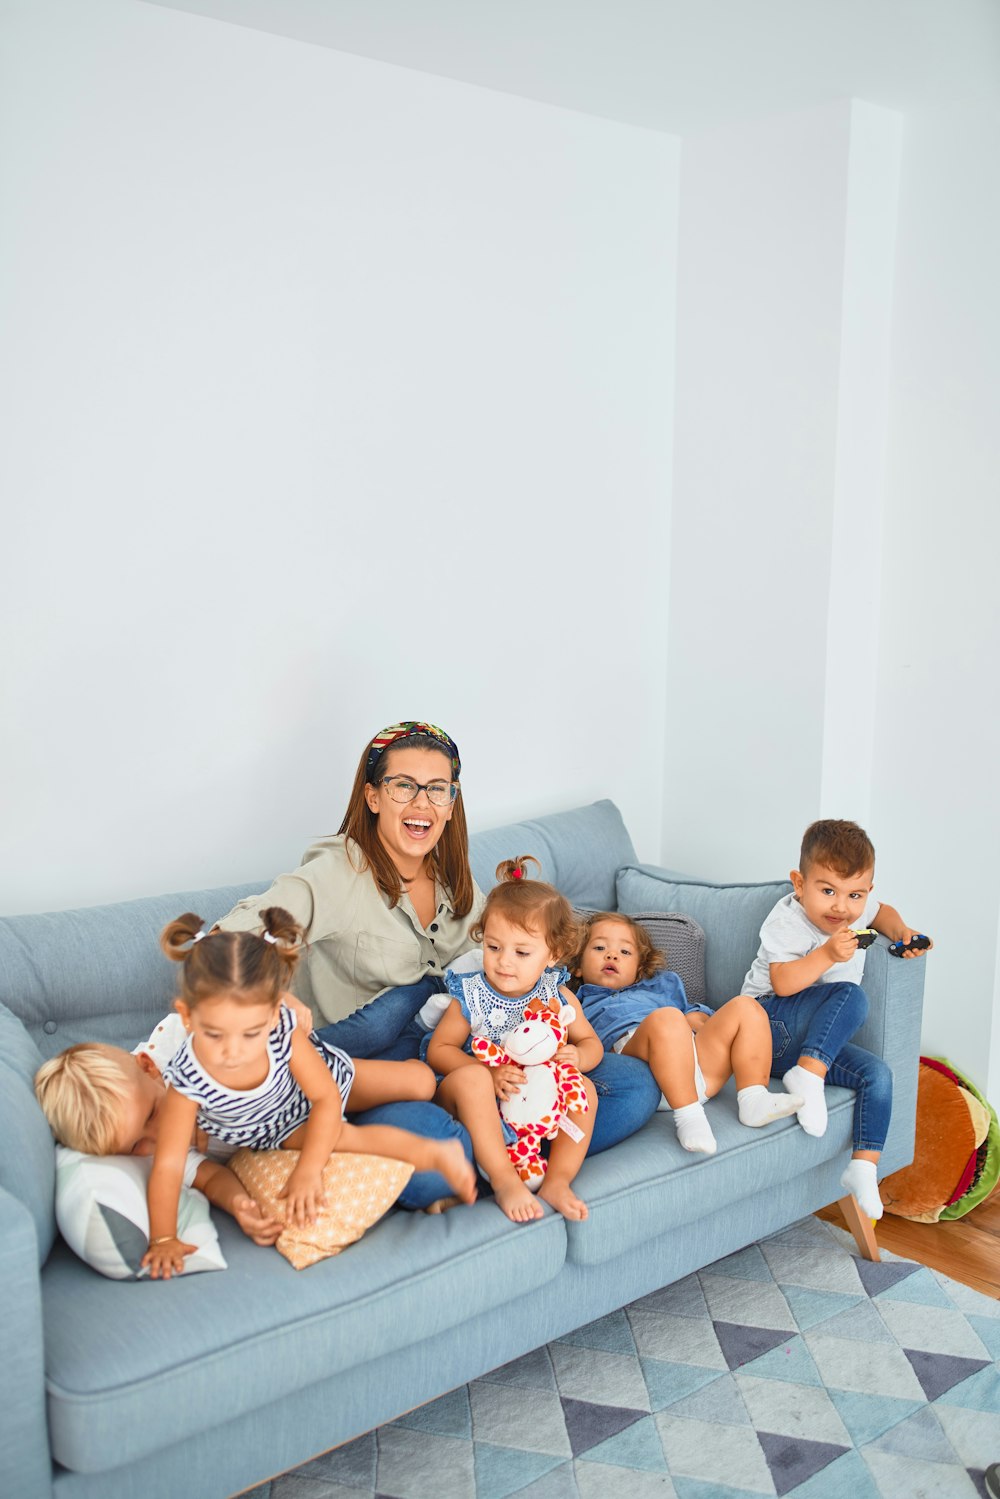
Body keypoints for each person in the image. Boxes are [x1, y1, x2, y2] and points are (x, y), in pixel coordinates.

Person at [216, 720, 661, 1177]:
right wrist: (272, 996)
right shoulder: (337, 872)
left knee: (634, 1086)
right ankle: (494, 1153)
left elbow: (521, 948)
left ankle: (501, 1150)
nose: (421, 803)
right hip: (374, 1069)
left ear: (452, 802)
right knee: (438, 1146)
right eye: (403, 786)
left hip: (463, 1055)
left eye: (437, 789)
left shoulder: (454, 877)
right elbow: (227, 939)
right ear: (372, 797)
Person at [143, 907, 475, 1278]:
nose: (232, 1052)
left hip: (320, 1088)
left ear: (272, 1017)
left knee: (421, 1083)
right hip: (278, 1130)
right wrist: (162, 1238)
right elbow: (169, 1165)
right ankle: (435, 1153)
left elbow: (325, 1098)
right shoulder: (186, 1082)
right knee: (345, 1136)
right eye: (214, 1034)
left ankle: (426, 1049)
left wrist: (310, 1169)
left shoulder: (282, 1032)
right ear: (186, 1016)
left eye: (250, 1034)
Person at [742, 818, 932, 1220]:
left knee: (878, 1074)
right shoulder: (787, 920)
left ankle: (863, 1166)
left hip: (809, 1042)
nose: (841, 907)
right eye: (827, 891)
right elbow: (783, 983)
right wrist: (827, 954)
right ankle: (807, 1076)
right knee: (850, 995)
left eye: (854, 895)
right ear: (799, 883)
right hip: (764, 1029)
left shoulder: (857, 913)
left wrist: (901, 933)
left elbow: (884, 914)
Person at [427, 857, 602, 1223]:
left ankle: (557, 1179)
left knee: (584, 1088)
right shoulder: (472, 994)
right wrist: (486, 1073)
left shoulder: (557, 995)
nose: (504, 962)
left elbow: (591, 1043)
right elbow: (438, 1051)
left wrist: (577, 1057)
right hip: (471, 1095)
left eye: (522, 952)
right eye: (493, 947)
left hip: (531, 1101)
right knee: (474, 1079)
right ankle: (505, 1180)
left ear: (552, 955)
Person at [572, 914, 802, 1156]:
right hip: (642, 1073)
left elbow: (693, 1013)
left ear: (640, 970)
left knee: (746, 1006)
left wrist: (698, 1018)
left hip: (696, 1068)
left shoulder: (661, 987)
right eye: (599, 948)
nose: (612, 955)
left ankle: (754, 1098)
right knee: (667, 1018)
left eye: (625, 952)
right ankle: (689, 1118)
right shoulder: (576, 1002)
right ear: (577, 966)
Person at [34, 1035, 285, 1250]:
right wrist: (240, 1205)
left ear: (148, 1067)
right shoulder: (152, 1157)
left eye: (152, 1113)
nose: (158, 1135)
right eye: (134, 1145)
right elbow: (210, 1179)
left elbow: (234, 1013)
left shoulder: (182, 1046)